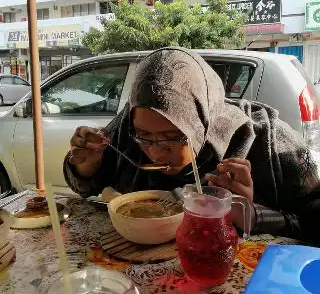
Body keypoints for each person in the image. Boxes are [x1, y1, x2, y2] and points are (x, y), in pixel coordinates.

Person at [64, 47, 320, 242]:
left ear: (200, 125)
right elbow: (86, 188)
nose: (154, 152)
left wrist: (252, 214)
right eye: (144, 135)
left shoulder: (266, 141)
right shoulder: (126, 128)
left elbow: (314, 223)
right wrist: (88, 167)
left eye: (172, 137)